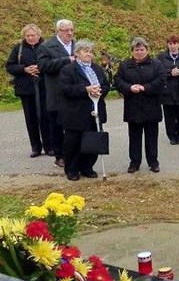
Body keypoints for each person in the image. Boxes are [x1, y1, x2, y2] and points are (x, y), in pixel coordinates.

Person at [58, 40, 110, 181]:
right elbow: (65, 89)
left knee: (92, 140)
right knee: (73, 142)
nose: (89, 54)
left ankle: (87, 167)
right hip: (75, 112)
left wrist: (99, 91)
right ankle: (72, 169)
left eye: (90, 51)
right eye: (85, 51)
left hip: (94, 110)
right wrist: (85, 89)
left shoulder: (97, 69)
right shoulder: (68, 70)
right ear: (77, 53)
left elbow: (105, 85)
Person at [115, 37, 165, 173]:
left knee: (151, 137)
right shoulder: (125, 65)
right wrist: (129, 87)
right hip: (133, 106)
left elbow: (161, 81)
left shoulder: (156, 64)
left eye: (142, 49)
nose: (139, 52)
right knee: (134, 137)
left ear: (147, 50)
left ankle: (153, 162)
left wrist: (145, 88)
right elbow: (118, 81)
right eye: (136, 50)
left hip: (151, 106)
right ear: (132, 51)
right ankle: (134, 162)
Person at [5, 24, 51, 158]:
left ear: (39, 35)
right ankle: (36, 147)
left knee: (46, 117)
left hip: (44, 87)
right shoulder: (18, 49)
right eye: (28, 36)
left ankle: (49, 146)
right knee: (31, 118)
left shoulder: (46, 47)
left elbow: (53, 63)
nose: (30, 38)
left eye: (33, 35)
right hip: (26, 88)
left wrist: (41, 68)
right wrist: (24, 69)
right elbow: (10, 66)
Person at [37, 19, 76, 168]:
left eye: (71, 30)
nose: (70, 33)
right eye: (66, 30)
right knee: (57, 126)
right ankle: (59, 155)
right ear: (58, 31)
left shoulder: (77, 45)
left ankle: (73, 154)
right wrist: (66, 60)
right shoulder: (46, 46)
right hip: (56, 93)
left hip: (74, 92)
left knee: (73, 126)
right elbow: (42, 66)